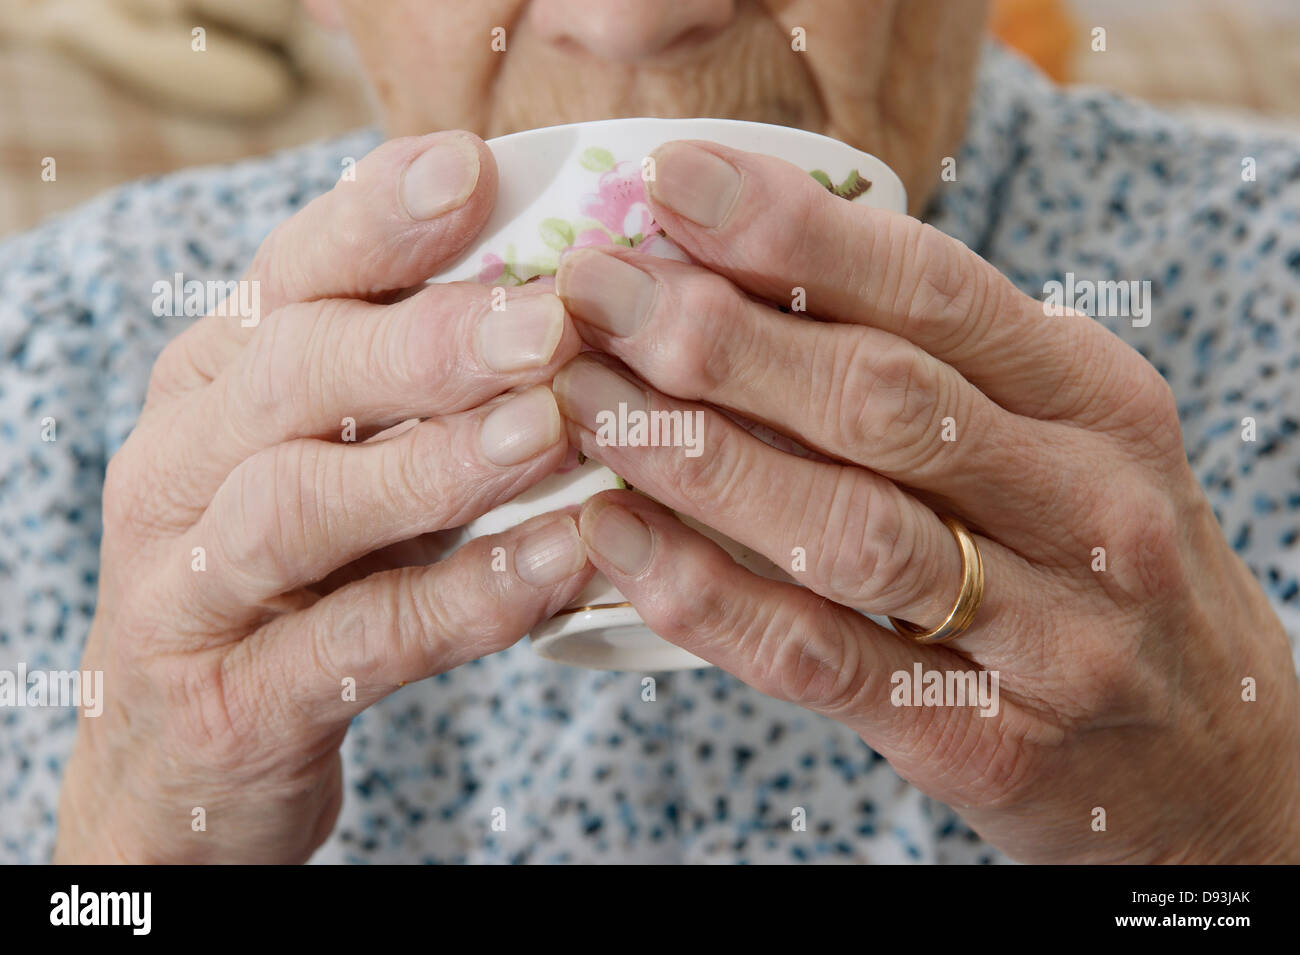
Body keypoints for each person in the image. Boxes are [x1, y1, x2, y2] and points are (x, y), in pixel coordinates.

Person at [2, 0, 1297, 864]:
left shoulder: (1268, 276)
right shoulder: (58, 346)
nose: (633, 18)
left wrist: (1231, 831)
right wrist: (134, 838)